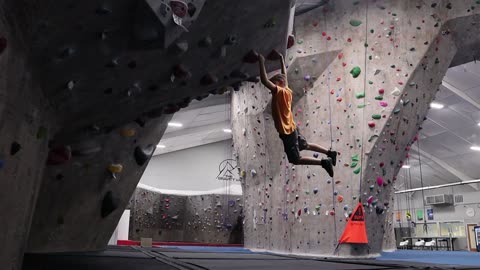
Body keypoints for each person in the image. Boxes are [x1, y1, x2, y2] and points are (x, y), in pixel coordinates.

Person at [257, 51, 337, 177]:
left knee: (296, 159)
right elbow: (284, 76)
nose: (272, 87)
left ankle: (324, 162)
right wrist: (282, 59)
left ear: (278, 84)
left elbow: (264, 80)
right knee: (305, 145)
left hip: (287, 132)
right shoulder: (287, 90)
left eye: (274, 83)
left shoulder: (279, 92)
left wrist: (261, 61)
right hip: (292, 128)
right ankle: (330, 153)